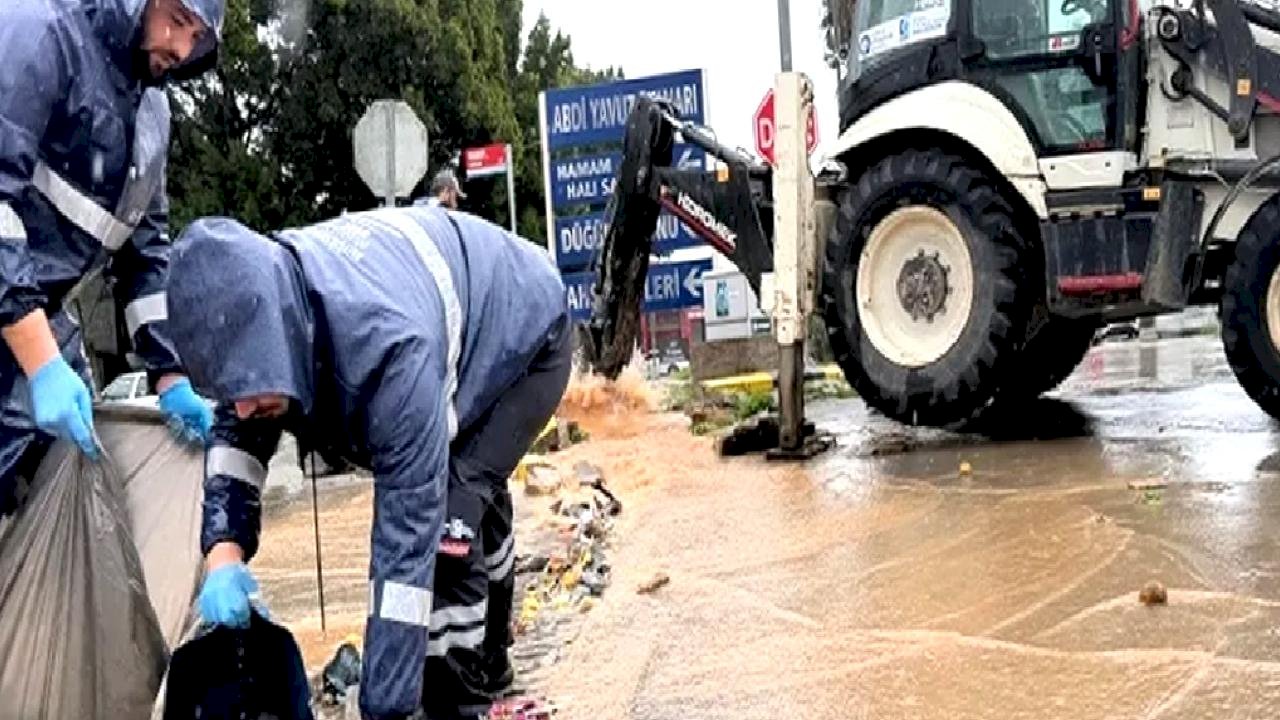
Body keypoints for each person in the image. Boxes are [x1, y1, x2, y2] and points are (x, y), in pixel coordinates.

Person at [165, 206, 572, 720]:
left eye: (250, 390)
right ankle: (492, 648)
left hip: (528, 342)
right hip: (450, 328)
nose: (243, 409)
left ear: (284, 338)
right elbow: (234, 441)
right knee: (460, 496)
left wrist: (385, 707)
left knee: (450, 527)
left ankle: (468, 690)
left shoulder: (389, 355)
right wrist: (224, 559)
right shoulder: (261, 305)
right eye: (231, 391)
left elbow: (404, 552)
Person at [0, 0, 220, 511]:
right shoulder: (40, 33)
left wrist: (171, 375)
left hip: (37, 322)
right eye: (178, 21)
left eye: (197, 36)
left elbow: (145, 250)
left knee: (68, 487)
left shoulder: (151, 113)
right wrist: (41, 362)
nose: (181, 49)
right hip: (25, 321)